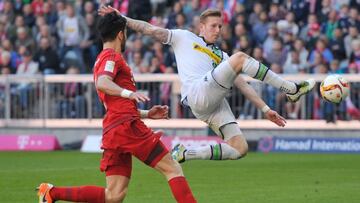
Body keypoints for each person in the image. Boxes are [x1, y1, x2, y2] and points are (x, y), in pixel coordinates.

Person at [99, 7, 314, 163]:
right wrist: (123, 18)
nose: (218, 30)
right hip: (198, 92)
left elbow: (242, 84)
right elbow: (150, 29)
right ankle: (291, 89)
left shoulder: (223, 56)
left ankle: (186, 153)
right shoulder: (184, 37)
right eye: (213, 26)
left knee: (240, 148)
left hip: (212, 100)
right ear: (201, 27)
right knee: (239, 58)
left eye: (220, 26)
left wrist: (265, 109)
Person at [37, 12, 196, 203]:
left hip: (114, 128)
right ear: (121, 34)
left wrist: (147, 113)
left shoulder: (100, 60)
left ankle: (51, 193)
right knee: (172, 168)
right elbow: (103, 83)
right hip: (125, 127)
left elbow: (116, 103)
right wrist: (129, 94)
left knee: (114, 196)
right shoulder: (112, 56)